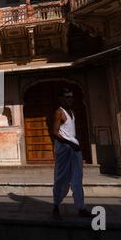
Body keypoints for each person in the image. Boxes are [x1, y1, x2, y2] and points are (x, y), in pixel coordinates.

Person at [52, 88, 92, 219]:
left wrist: (75, 143)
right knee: (61, 178)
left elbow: (70, 131)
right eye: (67, 97)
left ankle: (81, 208)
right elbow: (55, 132)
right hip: (64, 148)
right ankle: (56, 205)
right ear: (61, 98)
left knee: (77, 178)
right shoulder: (59, 112)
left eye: (71, 97)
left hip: (74, 148)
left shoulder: (72, 112)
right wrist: (70, 144)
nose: (70, 99)